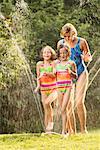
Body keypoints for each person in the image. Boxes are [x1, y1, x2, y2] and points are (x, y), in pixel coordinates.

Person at [57, 23, 92, 133]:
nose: (67, 38)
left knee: (79, 102)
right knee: (69, 104)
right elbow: (59, 58)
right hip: (67, 75)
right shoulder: (60, 43)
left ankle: (83, 130)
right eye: (65, 36)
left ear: (74, 33)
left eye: (69, 36)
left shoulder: (81, 42)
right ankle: (72, 131)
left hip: (81, 73)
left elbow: (88, 57)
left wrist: (86, 58)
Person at [34, 45, 57, 133]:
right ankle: (47, 132)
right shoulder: (39, 64)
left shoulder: (54, 63)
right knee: (46, 109)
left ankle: (51, 123)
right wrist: (38, 87)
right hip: (44, 89)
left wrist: (46, 72)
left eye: (48, 52)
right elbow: (38, 77)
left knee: (48, 103)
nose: (46, 54)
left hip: (54, 88)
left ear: (51, 54)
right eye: (45, 52)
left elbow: (54, 75)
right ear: (42, 54)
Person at [55, 45, 77, 135]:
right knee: (63, 110)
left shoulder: (71, 63)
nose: (63, 55)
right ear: (59, 54)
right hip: (59, 87)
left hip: (68, 87)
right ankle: (69, 130)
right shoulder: (57, 64)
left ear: (68, 53)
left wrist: (71, 72)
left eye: (64, 53)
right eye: (61, 53)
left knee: (64, 108)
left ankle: (63, 131)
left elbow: (76, 76)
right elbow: (54, 76)